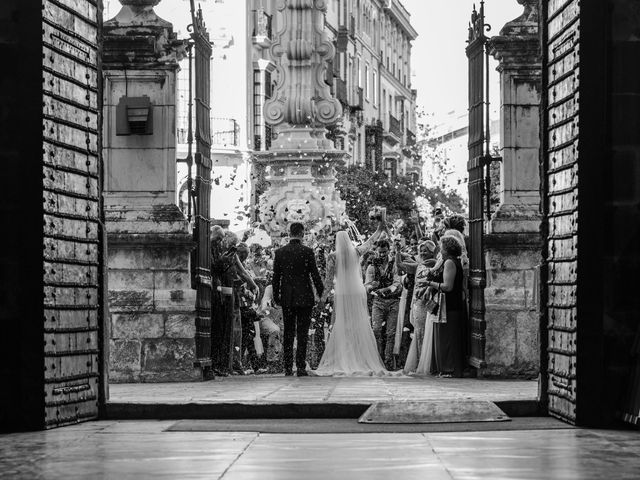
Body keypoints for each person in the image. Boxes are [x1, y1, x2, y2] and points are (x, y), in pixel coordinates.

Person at [314, 231, 388, 376]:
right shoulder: (356, 252)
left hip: (342, 295)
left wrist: (322, 299)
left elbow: (329, 282)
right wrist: (380, 229)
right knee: (358, 325)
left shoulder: (332, 257)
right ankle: (360, 357)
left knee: (342, 325)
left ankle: (344, 358)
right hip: (357, 294)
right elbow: (370, 241)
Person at [272, 222, 324, 376]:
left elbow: (276, 277)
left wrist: (276, 296)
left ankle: (288, 367)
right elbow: (315, 274)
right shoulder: (307, 252)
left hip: (287, 297)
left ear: (289, 233)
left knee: (288, 332)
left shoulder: (280, 252)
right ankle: (300, 366)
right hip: (305, 297)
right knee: (302, 333)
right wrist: (321, 294)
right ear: (302, 234)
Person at [424, 235, 467, 378]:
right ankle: (445, 368)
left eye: (441, 246)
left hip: (449, 305)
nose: (439, 249)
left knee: (448, 338)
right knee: (444, 337)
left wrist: (430, 284)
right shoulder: (448, 261)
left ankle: (450, 368)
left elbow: (448, 287)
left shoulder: (449, 262)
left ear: (447, 248)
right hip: (446, 305)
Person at [365, 239, 403, 370]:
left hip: (393, 300)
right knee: (376, 330)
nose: (382, 255)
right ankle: (377, 359)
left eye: (384, 252)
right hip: (378, 301)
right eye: (380, 252)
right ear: (376, 251)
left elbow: (398, 283)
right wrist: (371, 287)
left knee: (391, 332)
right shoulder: (371, 266)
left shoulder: (394, 264)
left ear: (388, 250)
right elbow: (367, 285)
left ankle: (388, 361)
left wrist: (386, 289)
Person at [402, 240, 437, 374]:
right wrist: (399, 252)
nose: (423, 253)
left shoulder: (433, 264)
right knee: (418, 332)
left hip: (425, 301)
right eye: (421, 250)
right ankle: (418, 362)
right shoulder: (420, 265)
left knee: (422, 332)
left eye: (426, 250)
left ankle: (423, 363)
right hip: (416, 302)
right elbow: (401, 265)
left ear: (432, 251)